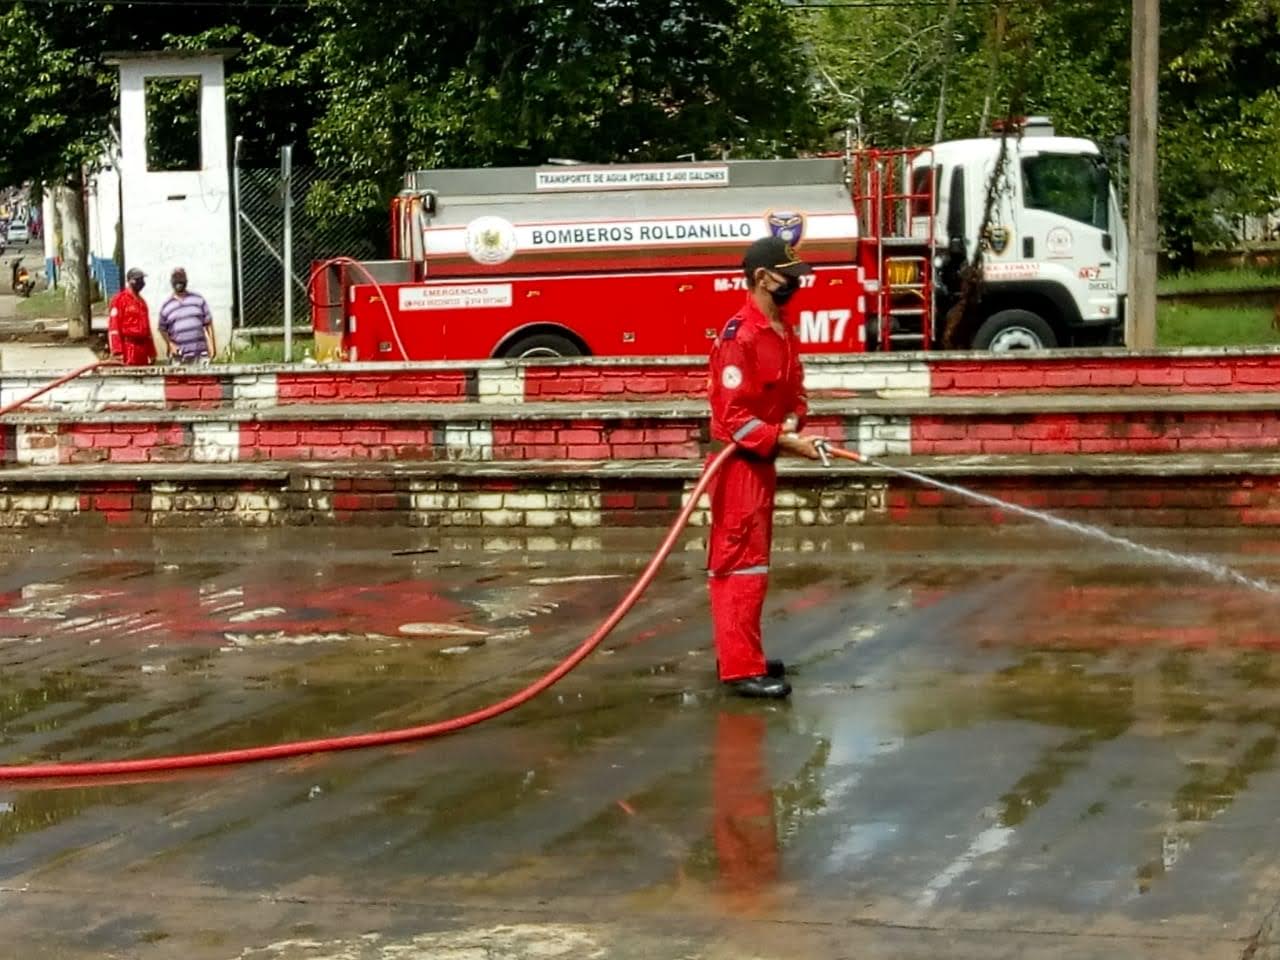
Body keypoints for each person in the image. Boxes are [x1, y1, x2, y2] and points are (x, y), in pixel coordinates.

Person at [708, 236, 821, 699]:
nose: (794, 284)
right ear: (762, 278)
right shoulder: (741, 337)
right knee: (740, 563)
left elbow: (793, 392)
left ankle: (743, 652)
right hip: (738, 465)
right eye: (787, 276)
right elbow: (733, 416)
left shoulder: (782, 330)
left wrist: (794, 421)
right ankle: (739, 668)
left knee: (755, 561)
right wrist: (787, 441)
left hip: (764, 460)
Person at [158, 267, 216, 362]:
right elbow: (162, 329)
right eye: (176, 279)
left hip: (200, 354)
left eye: (181, 279)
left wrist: (212, 346)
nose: (178, 282)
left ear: (186, 280)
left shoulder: (198, 299)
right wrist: (170, 344)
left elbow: (208, 324)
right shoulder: (166, 305)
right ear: (172, 282)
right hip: (179, 356)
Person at [108, 267, 157, 366]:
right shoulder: (120, 300)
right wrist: (117, 352)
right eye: (139, 280)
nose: (142, 283)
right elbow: (114, 327)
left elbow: (147, 330)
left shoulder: (142, 302)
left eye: (142, 280)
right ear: (130, 281)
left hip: (142, 351)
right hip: (128, 349)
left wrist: (151, 352)